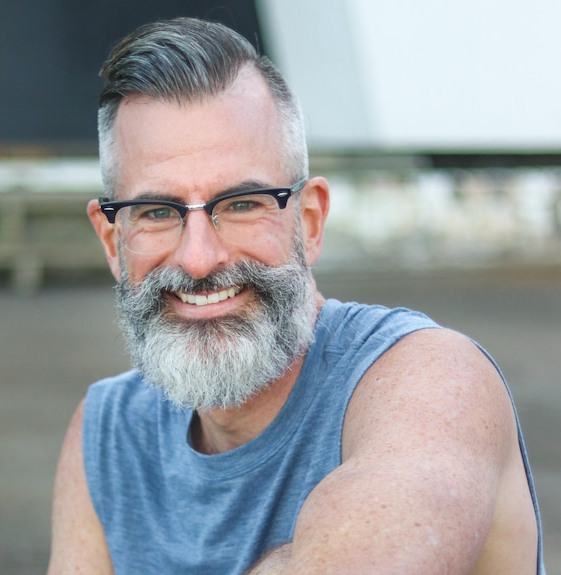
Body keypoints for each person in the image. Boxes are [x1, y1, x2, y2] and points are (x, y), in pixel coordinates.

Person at [48, 17, 545, 575]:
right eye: (157, 213)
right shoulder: (109, 432)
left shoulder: (433, 381)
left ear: (308, 222)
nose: (199, 259)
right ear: (113, 241)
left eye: (241, 204)